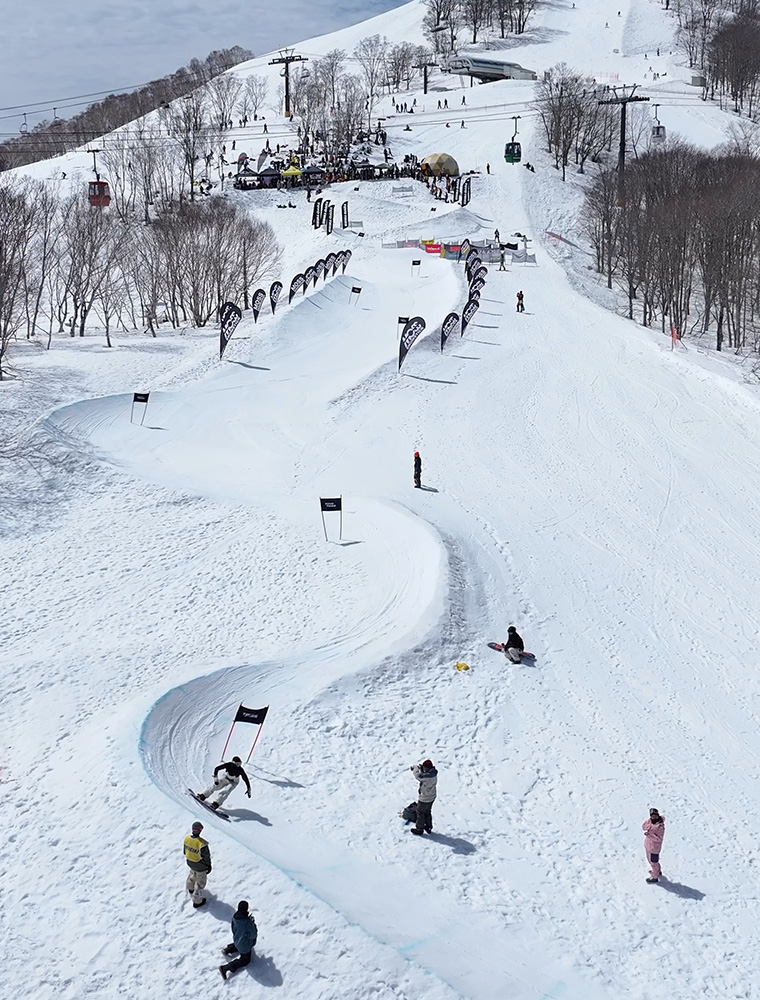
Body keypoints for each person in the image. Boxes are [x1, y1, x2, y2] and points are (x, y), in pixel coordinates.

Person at [219, 900, 258, 979]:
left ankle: (228, 950)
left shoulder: (235, 917)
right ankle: (226, 968)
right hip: (244, 947)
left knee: (239, 943)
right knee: (245, 960)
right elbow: (253, 934)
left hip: (236, 939)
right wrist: (253, 924)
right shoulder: (247, 923)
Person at [184, 821, 212, 907]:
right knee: (200, 883)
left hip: (190, 862)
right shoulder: (202, 843)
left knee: (192, 875)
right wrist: (208, 866)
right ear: (200, 830)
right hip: (200, 866)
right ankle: (197, 901)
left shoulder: (187, 839)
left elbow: (184, 852)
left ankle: (190, 887)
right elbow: (206, 857)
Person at [410, 759, 438, 835]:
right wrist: (422, 768)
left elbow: (419, 777)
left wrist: (416, 769)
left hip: (425, 798)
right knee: (427, 812)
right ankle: (428, 827)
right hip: (431, 796)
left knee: (420, 812)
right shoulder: (433, 773)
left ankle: (419, 829)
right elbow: (424, 776)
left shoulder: (428, 776)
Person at [643, 808, 665, 883]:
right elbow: (643, 826)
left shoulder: (660, 827)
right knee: (650, 860)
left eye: (655, 816)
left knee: (654, 862)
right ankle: (657, 871)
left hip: (654, 848)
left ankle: (655, 877)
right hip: (648, 846)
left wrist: (649, 835)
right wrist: (649, 826)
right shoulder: (650, 821)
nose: (654, 817)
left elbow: (659, 839)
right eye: (652, 816)